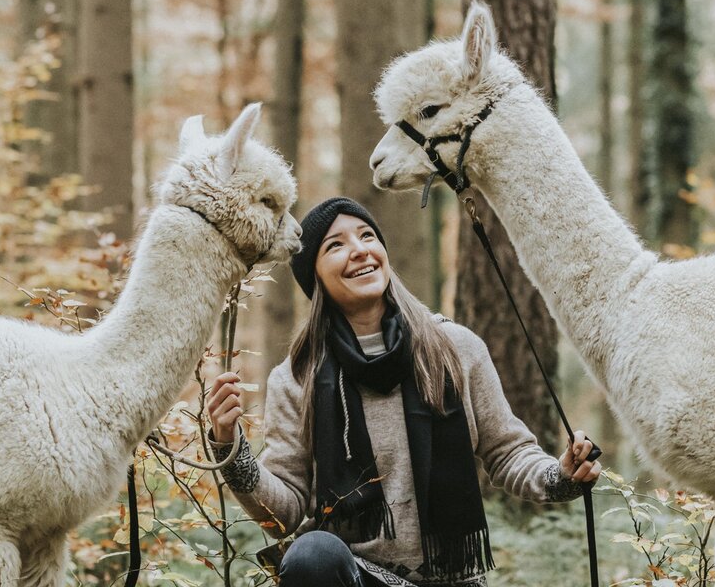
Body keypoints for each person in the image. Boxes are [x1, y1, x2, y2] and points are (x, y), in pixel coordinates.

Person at [206, 197, 601, 587]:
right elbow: (284, 513)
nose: (360, 250)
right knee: (313, 556)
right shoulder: (296, 378)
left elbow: (506, 450)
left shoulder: (455, 348)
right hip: (358, 577)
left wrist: (561, 474)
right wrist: (229, 446)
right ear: (315, 275)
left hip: (453, 580)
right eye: (336, 245)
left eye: (367, 236)